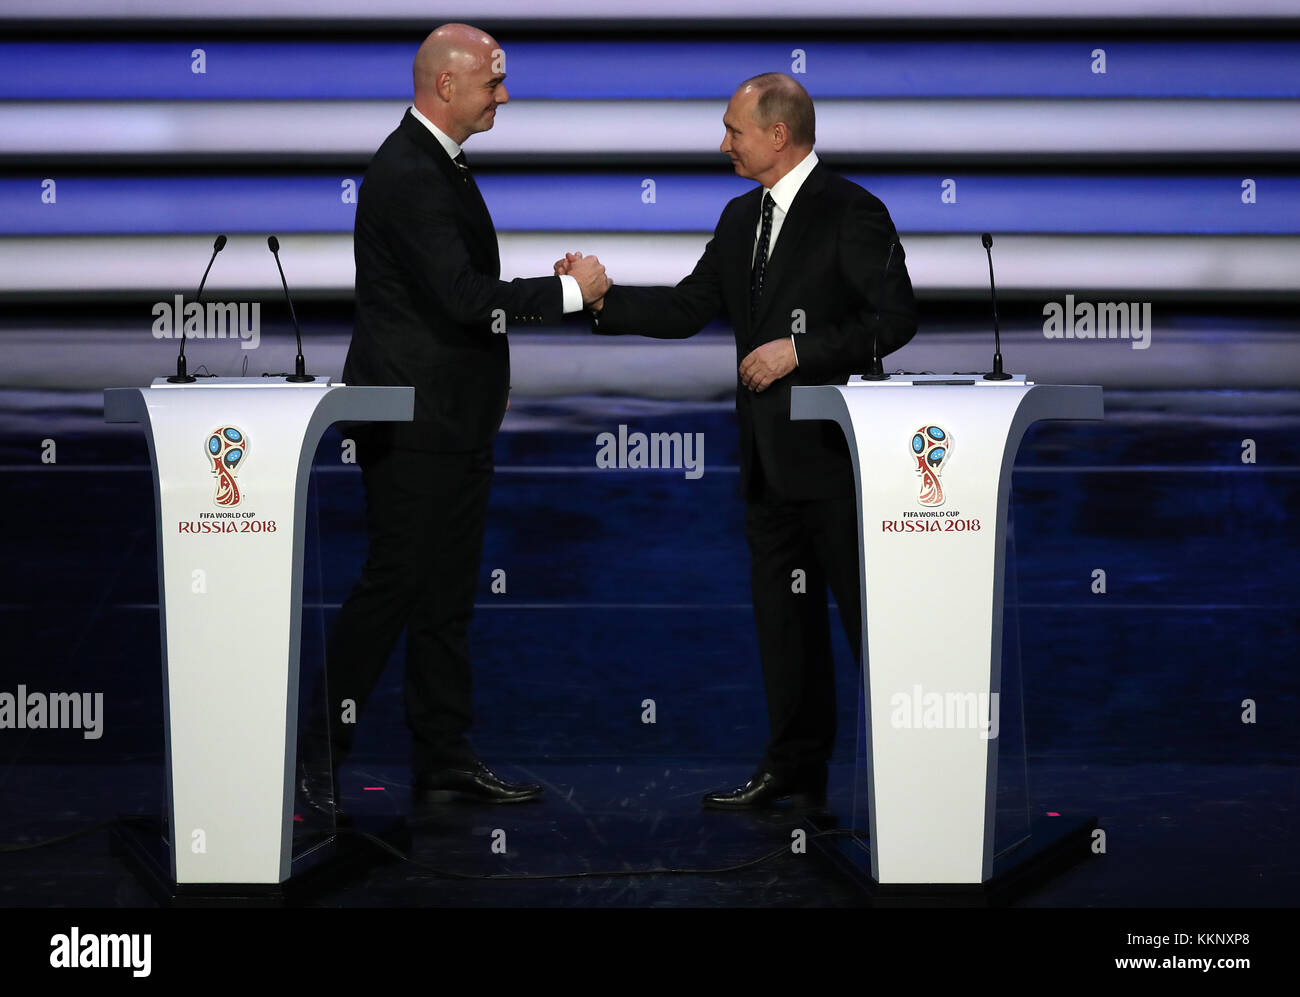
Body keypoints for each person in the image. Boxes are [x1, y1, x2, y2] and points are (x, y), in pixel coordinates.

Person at [557, 73, 916, 809]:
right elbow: (690, 306)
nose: (724, 144)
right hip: (767, 466)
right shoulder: (737, 217)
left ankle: (912, 778)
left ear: (777, 135)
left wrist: (798, 349)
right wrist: (603, 300)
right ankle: (793, 770)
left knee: (870, 627)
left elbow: (895, 318)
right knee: (785, 630)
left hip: (838, 466)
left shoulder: (852, 211)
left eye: (734, 131)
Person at [298, 23, 610, 814]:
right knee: (395, 586)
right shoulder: (408, 172)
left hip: (451, 416)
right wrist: (569, 293)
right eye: (492, 83)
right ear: (446, 87)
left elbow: (456, 304)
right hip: (410, 422)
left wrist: (485, 378)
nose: (504, 96)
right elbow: (464, 297)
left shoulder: (440, 166)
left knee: (445, 595)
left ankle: (442, 755)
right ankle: (310, 755)